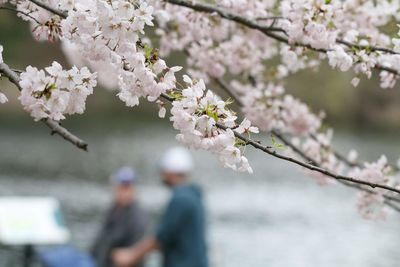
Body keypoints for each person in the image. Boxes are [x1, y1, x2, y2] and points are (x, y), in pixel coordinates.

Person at [112, 147, 208, 267]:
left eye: (163, 170)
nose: (162, 174)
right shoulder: (194, 195)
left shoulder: (181, 199)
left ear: (170, 172)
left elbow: (161, 237)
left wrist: (131, 255)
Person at [91, 167, 148, 267]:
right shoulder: (113, 210)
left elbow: (133, 256)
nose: (123, 191)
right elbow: (100, 244)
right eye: (121, 186)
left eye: (127, 187)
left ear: (134, 189)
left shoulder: (137, 218)